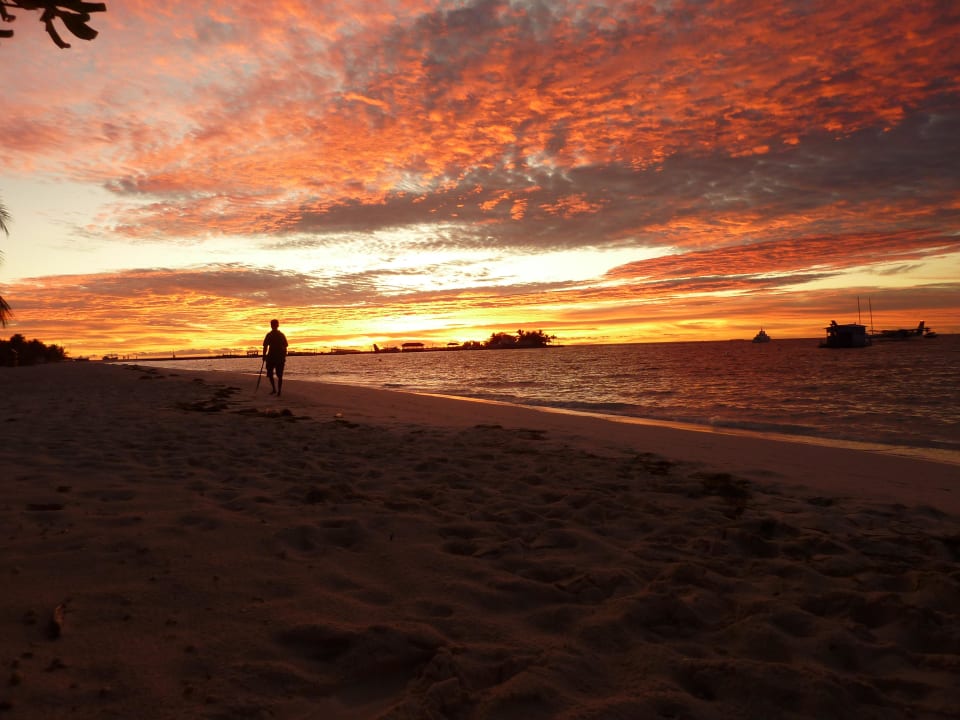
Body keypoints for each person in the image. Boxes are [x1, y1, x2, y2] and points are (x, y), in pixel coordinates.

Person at [262, 319, 288, 396]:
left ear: (276, 325)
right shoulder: (270, 335)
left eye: (274, 324)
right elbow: (265, 346)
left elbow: (285, 345)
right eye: (272, 324)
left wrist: (264, 356)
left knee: (277, 374)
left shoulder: (279, 335)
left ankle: (277, 390)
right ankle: (276, 390)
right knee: (274, 374)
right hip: (273, 357)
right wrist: (264, 356)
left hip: (277, 357)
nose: (273, 326)